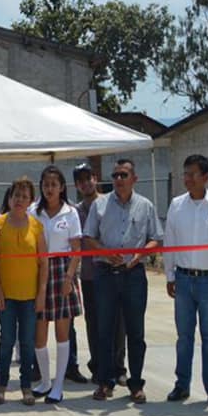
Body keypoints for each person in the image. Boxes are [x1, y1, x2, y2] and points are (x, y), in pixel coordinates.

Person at [83, 158, 163, 403]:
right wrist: (105, 251)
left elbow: (156, 239)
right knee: (105, 331)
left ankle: (135, 384)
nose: (118, 179)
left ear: (134, 179)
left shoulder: (146, 206)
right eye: (115, 175)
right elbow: (88, 237)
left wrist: (140, 254)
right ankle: (105, 382)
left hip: (133, 276)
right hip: (106, 274)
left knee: (135, 333)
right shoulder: (100, 205)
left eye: (123, 175)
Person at [163, 154, 208, 409]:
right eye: (185, 173)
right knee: (184, 337)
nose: (186, 179)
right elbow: (170, 242)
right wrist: (170, 275)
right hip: (184, 280)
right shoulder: (176, 205)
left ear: (205, 176)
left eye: (192, 174)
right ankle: (181, 385)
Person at [0, 177, 47, 406]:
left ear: (30, 200)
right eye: (16, 196)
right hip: (7, 296)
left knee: (27, 342)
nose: (20, 200)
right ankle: (1, 384)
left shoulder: (36, 226)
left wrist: (41, 293)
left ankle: (25, 386)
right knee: (6, 340)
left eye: (24, 196)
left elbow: (44, 263)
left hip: (30, 296)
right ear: (9, 198)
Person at [30, 166, 83, 404]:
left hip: (62, 272)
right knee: (39, 334)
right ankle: (44, 381)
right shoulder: (33, 210)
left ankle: (58, 385)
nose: (49, 189)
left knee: (62, 332)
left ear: (62, 187)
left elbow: (76, 251)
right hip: (39, 271)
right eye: (45, 184)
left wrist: (69, 278)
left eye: (54, 184)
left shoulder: (70, 213)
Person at [73, 163, 123, 385]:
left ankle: (118, 367)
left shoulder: (109, 204)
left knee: (117, 322)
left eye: (88, 178)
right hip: (90, 276)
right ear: (76, 185)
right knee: (94, 323)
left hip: (112, 271)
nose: (85, 183)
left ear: (96, 178)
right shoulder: (75, 211)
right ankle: (98, 366)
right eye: (80, 180)